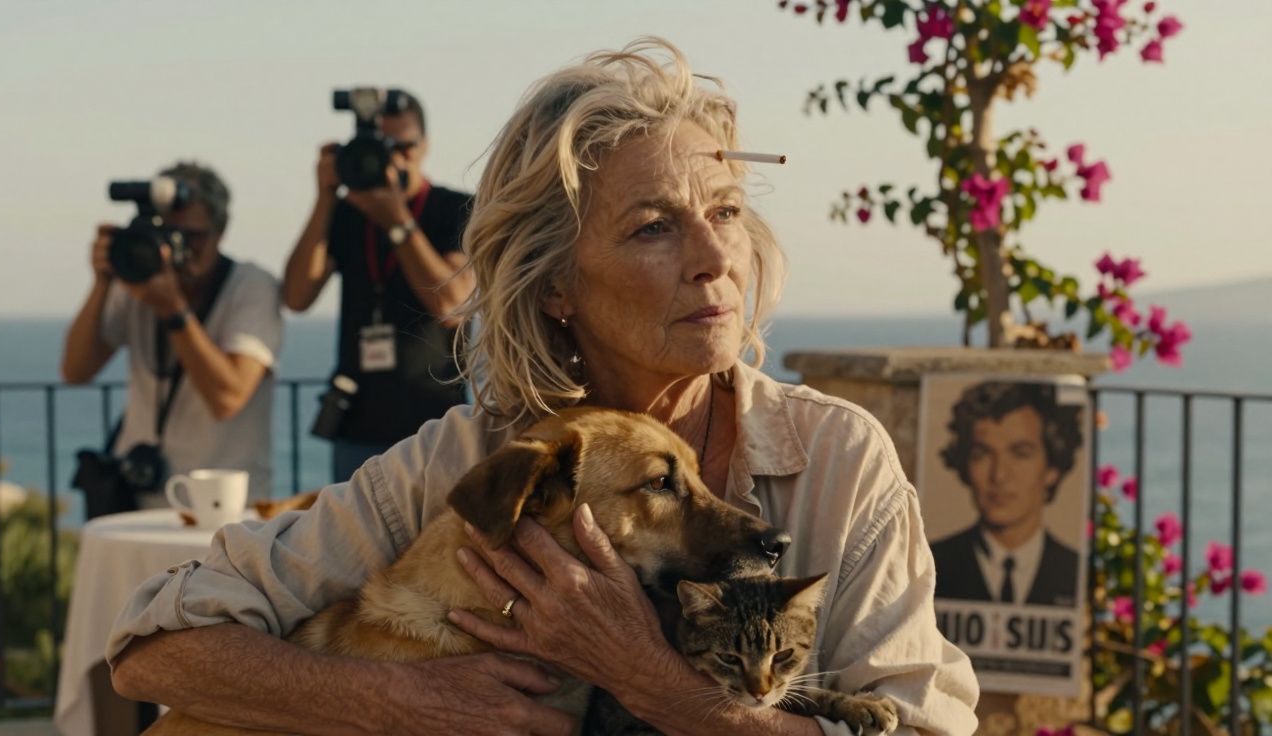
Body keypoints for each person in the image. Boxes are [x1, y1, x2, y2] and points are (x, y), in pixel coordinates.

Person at [107, 39, 979, 734]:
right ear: (555, 283)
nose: (717, 256)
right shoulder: (468, 461)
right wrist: (402, 702)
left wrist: (652, 680)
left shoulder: (836, 460)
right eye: (654, 227)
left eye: (724, 212)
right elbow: (155, 647)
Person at [282, 89, 475, 483]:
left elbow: (453, 305)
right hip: (358, 424)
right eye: (382, 149)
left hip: (434, 426)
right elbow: (297, 297)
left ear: (425, 145)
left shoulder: (455, 209)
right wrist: (324, 199)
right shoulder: (347, 214)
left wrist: (397, 221)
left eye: (402, 147)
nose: (393, 160)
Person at [62, 162, 283, 501]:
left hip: (226, 504)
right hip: (142, 498)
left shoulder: (252, 287)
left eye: (191, 236)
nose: (173, 249)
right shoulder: (137, 286)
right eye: (164, 234)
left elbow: (227, 399)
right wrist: (102, 283)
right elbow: (76, 370)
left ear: (220, 231)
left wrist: (173, 310)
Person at [931, 381, 1083, 607]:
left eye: (1021, 453)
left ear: (1052, 468)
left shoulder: (1075, 571)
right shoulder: (930, 563)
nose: (999, 475)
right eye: (982, 454)